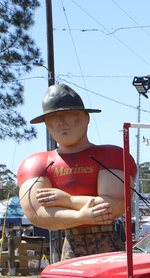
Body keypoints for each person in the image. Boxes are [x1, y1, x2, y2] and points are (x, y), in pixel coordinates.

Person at [17, 83, 137, 260]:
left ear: (86, 117)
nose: (62, 123)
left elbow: (114, 206)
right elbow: (38, 214)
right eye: (54, 118)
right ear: (47, 125)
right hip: (70, 246)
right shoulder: (35, 164)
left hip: (109, 246)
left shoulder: (112, 155)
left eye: (69, 115)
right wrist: (81, 215)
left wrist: (68, 200)